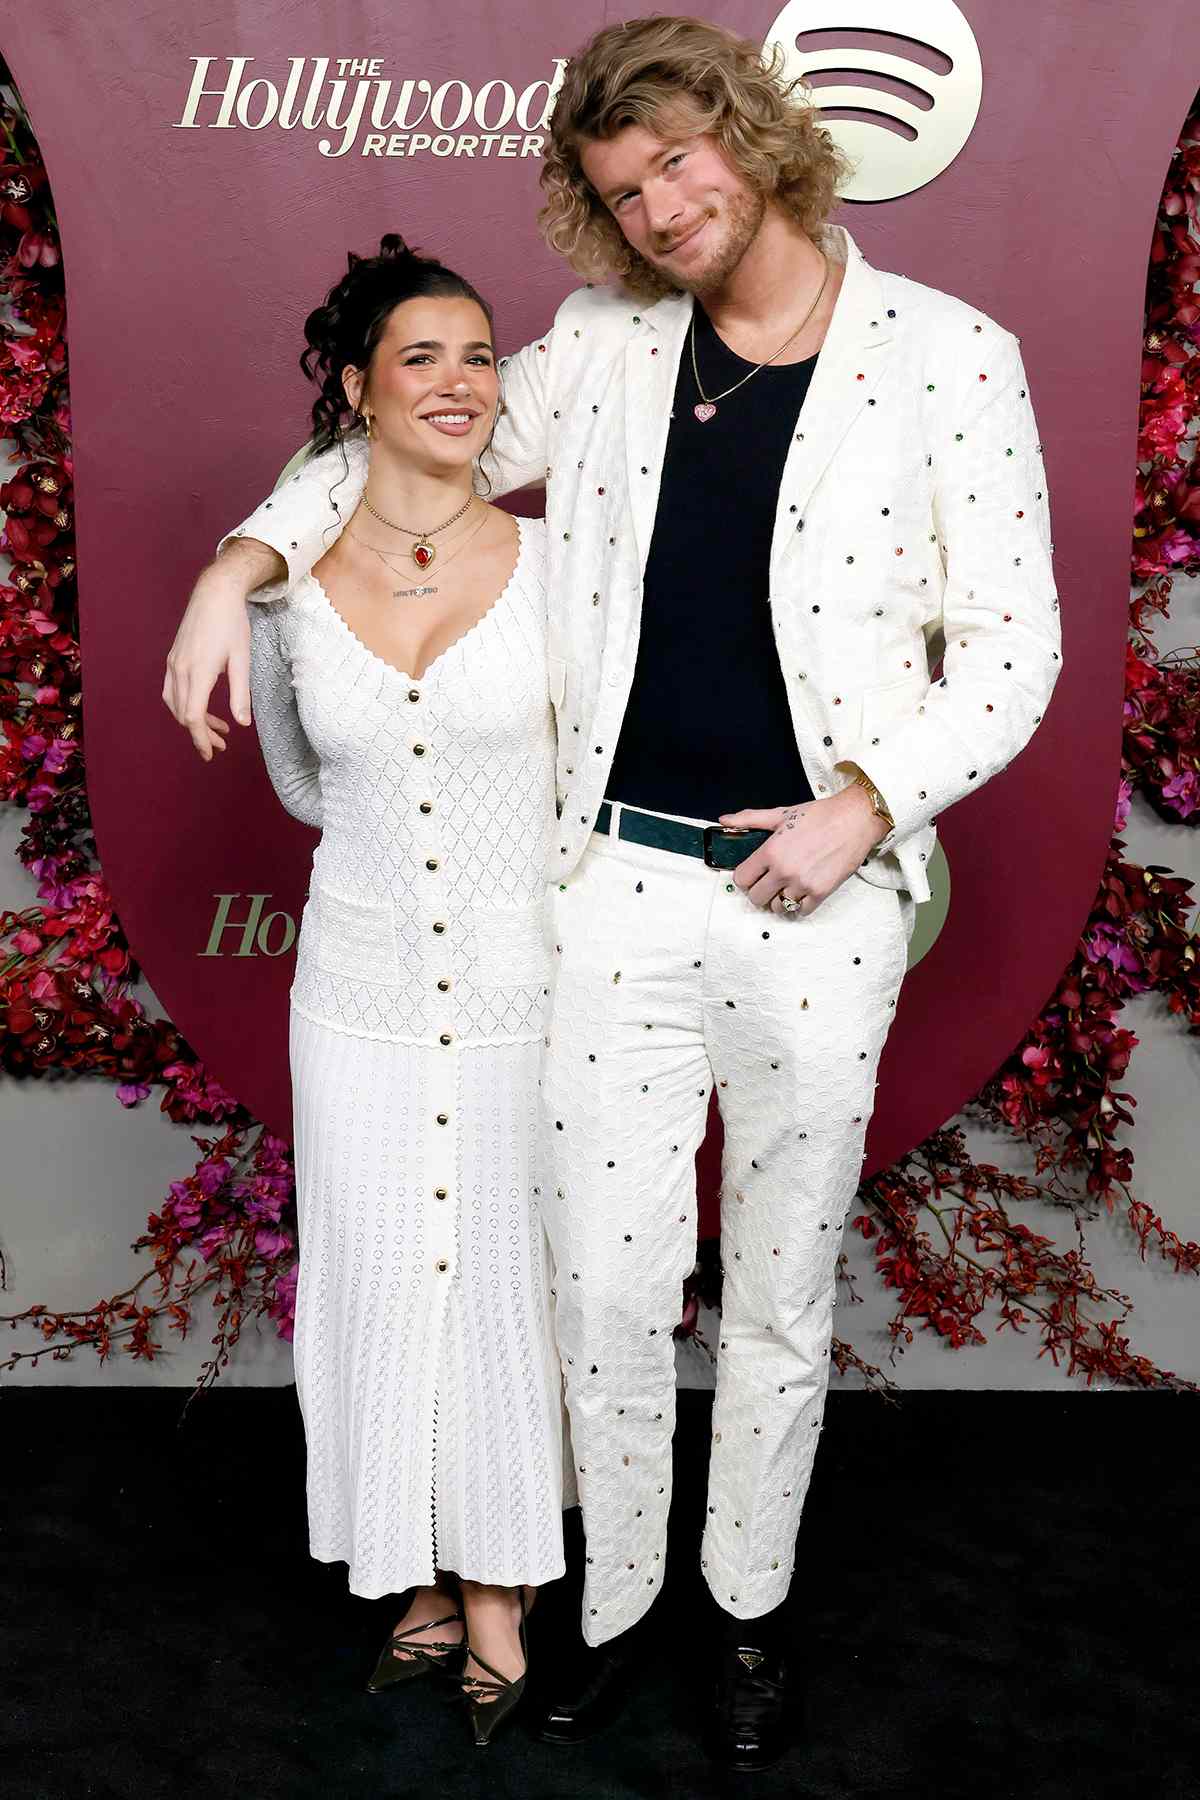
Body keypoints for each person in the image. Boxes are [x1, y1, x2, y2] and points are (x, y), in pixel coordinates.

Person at [163, 16, 1062, 1772]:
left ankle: (746, 1611)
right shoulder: (600, 345)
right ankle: (624, 1603)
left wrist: (865, 807)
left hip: (824, 895)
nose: (659, 209)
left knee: (779, 1287)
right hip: (617, 885)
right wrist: (237, 563)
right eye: (622, 192)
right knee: (603, 1285)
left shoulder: (952, 357)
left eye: (676, 162)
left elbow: (1015, 650)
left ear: (752, 134)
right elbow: (402, 448)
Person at [236, 233, 567, 1748]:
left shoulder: (558, 566)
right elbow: (304, 784)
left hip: (523, 992)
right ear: (357, 389)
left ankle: (500, 1588)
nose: (459, 381)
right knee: (378, 1271)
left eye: (480, 356)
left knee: (501, 1273)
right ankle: (415, 1572)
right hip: (356, 992)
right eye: (420, 355)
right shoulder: (283, 587)